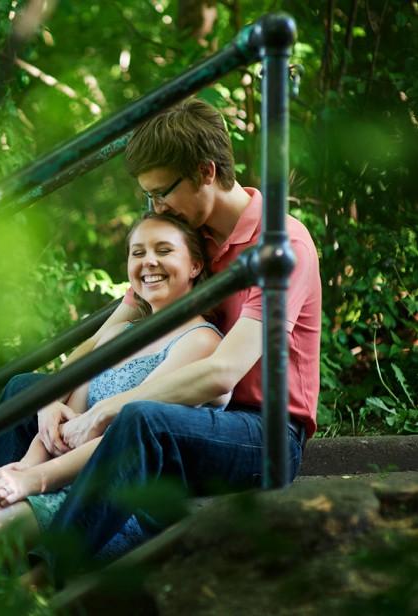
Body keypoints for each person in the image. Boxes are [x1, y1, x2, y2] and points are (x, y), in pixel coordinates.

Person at [35, 97, 323, 583]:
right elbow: (111, 337)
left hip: (262, 433)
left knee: (142, 418)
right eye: (147, 198)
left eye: (161, 193)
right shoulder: (187, 241)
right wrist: (52, 393)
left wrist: (110, 406)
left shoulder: (282, 245)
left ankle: (39, 579)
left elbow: (222, 371)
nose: (155, 207)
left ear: (206, 172)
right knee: (24, 389)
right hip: (199, 415)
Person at [0, 212, 228, 597]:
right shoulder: (118, 332)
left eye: (164, 250)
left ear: (195, 265)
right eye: (137, 252)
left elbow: (128, 438)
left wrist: (31, 481)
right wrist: (27, 464)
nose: (148, 262)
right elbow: (65, 421)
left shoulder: (200, 342)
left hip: (112, 501)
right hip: (57, 476)